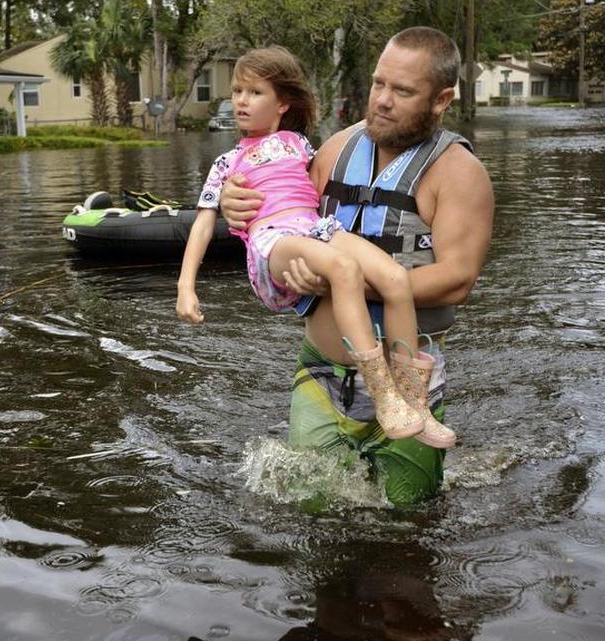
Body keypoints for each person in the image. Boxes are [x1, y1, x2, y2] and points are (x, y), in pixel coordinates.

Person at [218, 27, 494, 506]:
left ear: (441, 99)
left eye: (403, 91)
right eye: (378, 84)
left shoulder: (459, 173)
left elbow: (457, 280)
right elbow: (280, 222)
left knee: (409, 518)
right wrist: (231, 204)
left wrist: (343, 283)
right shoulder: (335, 150)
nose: (383, 101)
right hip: (322, 374)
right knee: (310, 511)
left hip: (408, 386)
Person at [176, 46, 454, 448]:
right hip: (273, 241)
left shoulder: (301, 147)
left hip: (314, 228)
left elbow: (319, 181)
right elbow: (203, 223)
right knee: (344, 269)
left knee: (395, 278)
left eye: (254, 92)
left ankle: (415, 403)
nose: (240, 100)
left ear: (283, 103)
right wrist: (186, 286)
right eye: (237, 91)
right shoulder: (226, 164)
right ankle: (385, 396)